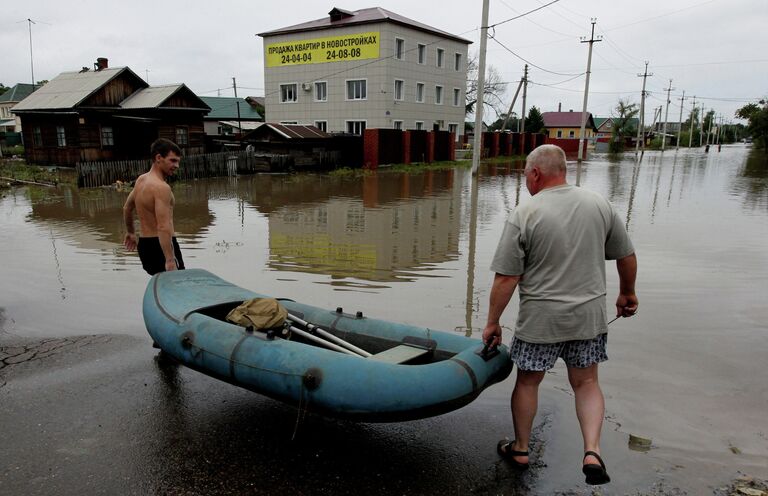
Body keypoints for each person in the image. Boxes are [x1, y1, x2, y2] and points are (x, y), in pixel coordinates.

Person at [482, 144, 638, 486]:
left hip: (541, 321)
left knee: (528, 381)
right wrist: (627, 292)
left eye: (525, 174)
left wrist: (493, 322)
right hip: (588, 318)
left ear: (536, 173)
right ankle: (593, 451)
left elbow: (507, 277)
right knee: (586, 383)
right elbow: (625, 255)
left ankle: (521, 448)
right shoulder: (599, 204)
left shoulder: (525, 213)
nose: (525, 180)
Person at [123, 138, 185, 275]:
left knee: (161, 287)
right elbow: (163, 226)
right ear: (158, 158)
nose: (177, 166)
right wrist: (169, 259)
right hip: (162, 248)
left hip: (145, 246)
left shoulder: (141, 180)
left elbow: (127, 208)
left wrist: (131, 232)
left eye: (178, 161)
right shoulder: (161, 187)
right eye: (173, 160)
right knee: (175, 290)